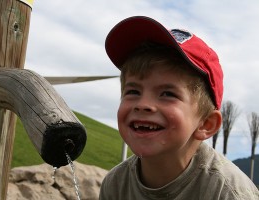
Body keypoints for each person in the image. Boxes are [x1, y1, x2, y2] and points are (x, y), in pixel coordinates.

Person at [99, 16, 259, 200]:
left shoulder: (227, 193)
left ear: (206, 124)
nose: (143, 104)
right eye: (133, 91)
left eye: (168, 94)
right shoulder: (116, 184)